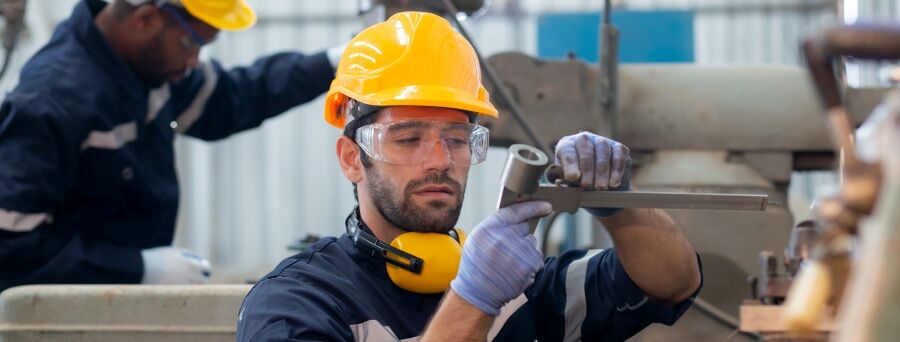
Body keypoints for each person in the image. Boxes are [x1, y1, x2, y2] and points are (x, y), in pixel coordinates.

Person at [236, 11, 702, 341]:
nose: (439, 160)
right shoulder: (297, 304)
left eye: (457, 139)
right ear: (352, 159)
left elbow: (671, 282)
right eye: (408, 138)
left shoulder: (521, 288)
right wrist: (475, 300)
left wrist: (621, 207)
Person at [0, 0, 342, 291]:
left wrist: (333, 63)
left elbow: (232, 99)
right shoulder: (52, 101)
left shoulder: (148, 69)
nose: (194, 60)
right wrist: (138, 268)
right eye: (190, 43)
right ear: (146, 19)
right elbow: (11, 248)